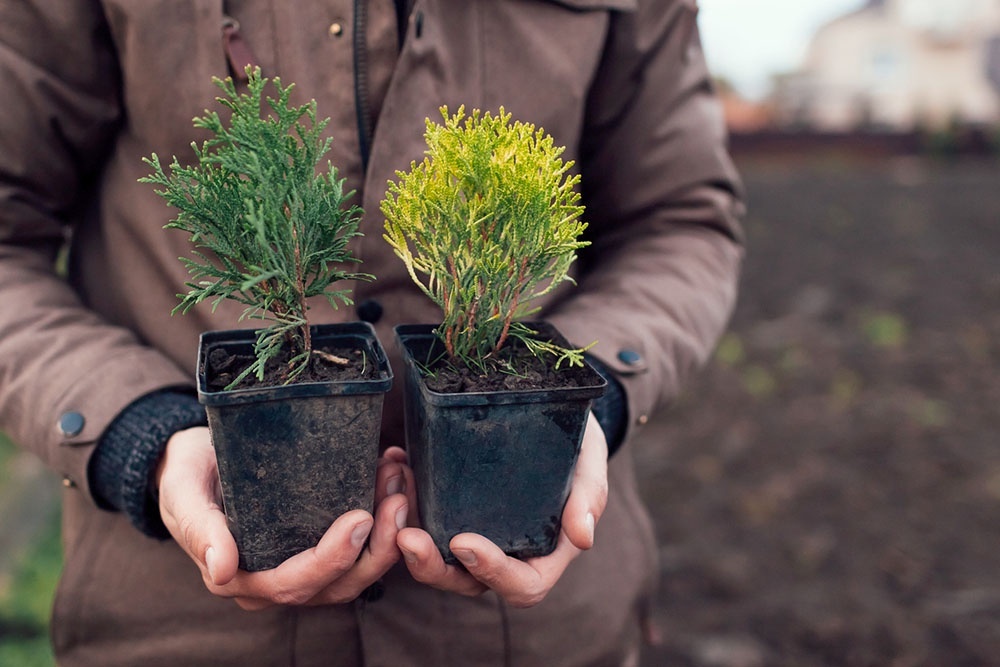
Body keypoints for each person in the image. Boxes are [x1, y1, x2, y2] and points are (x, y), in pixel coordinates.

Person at [0, 0, 744, 665]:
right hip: (181, 626)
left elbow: (678, 219)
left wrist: (583, 398)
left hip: (541, 635)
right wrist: (141, 431)